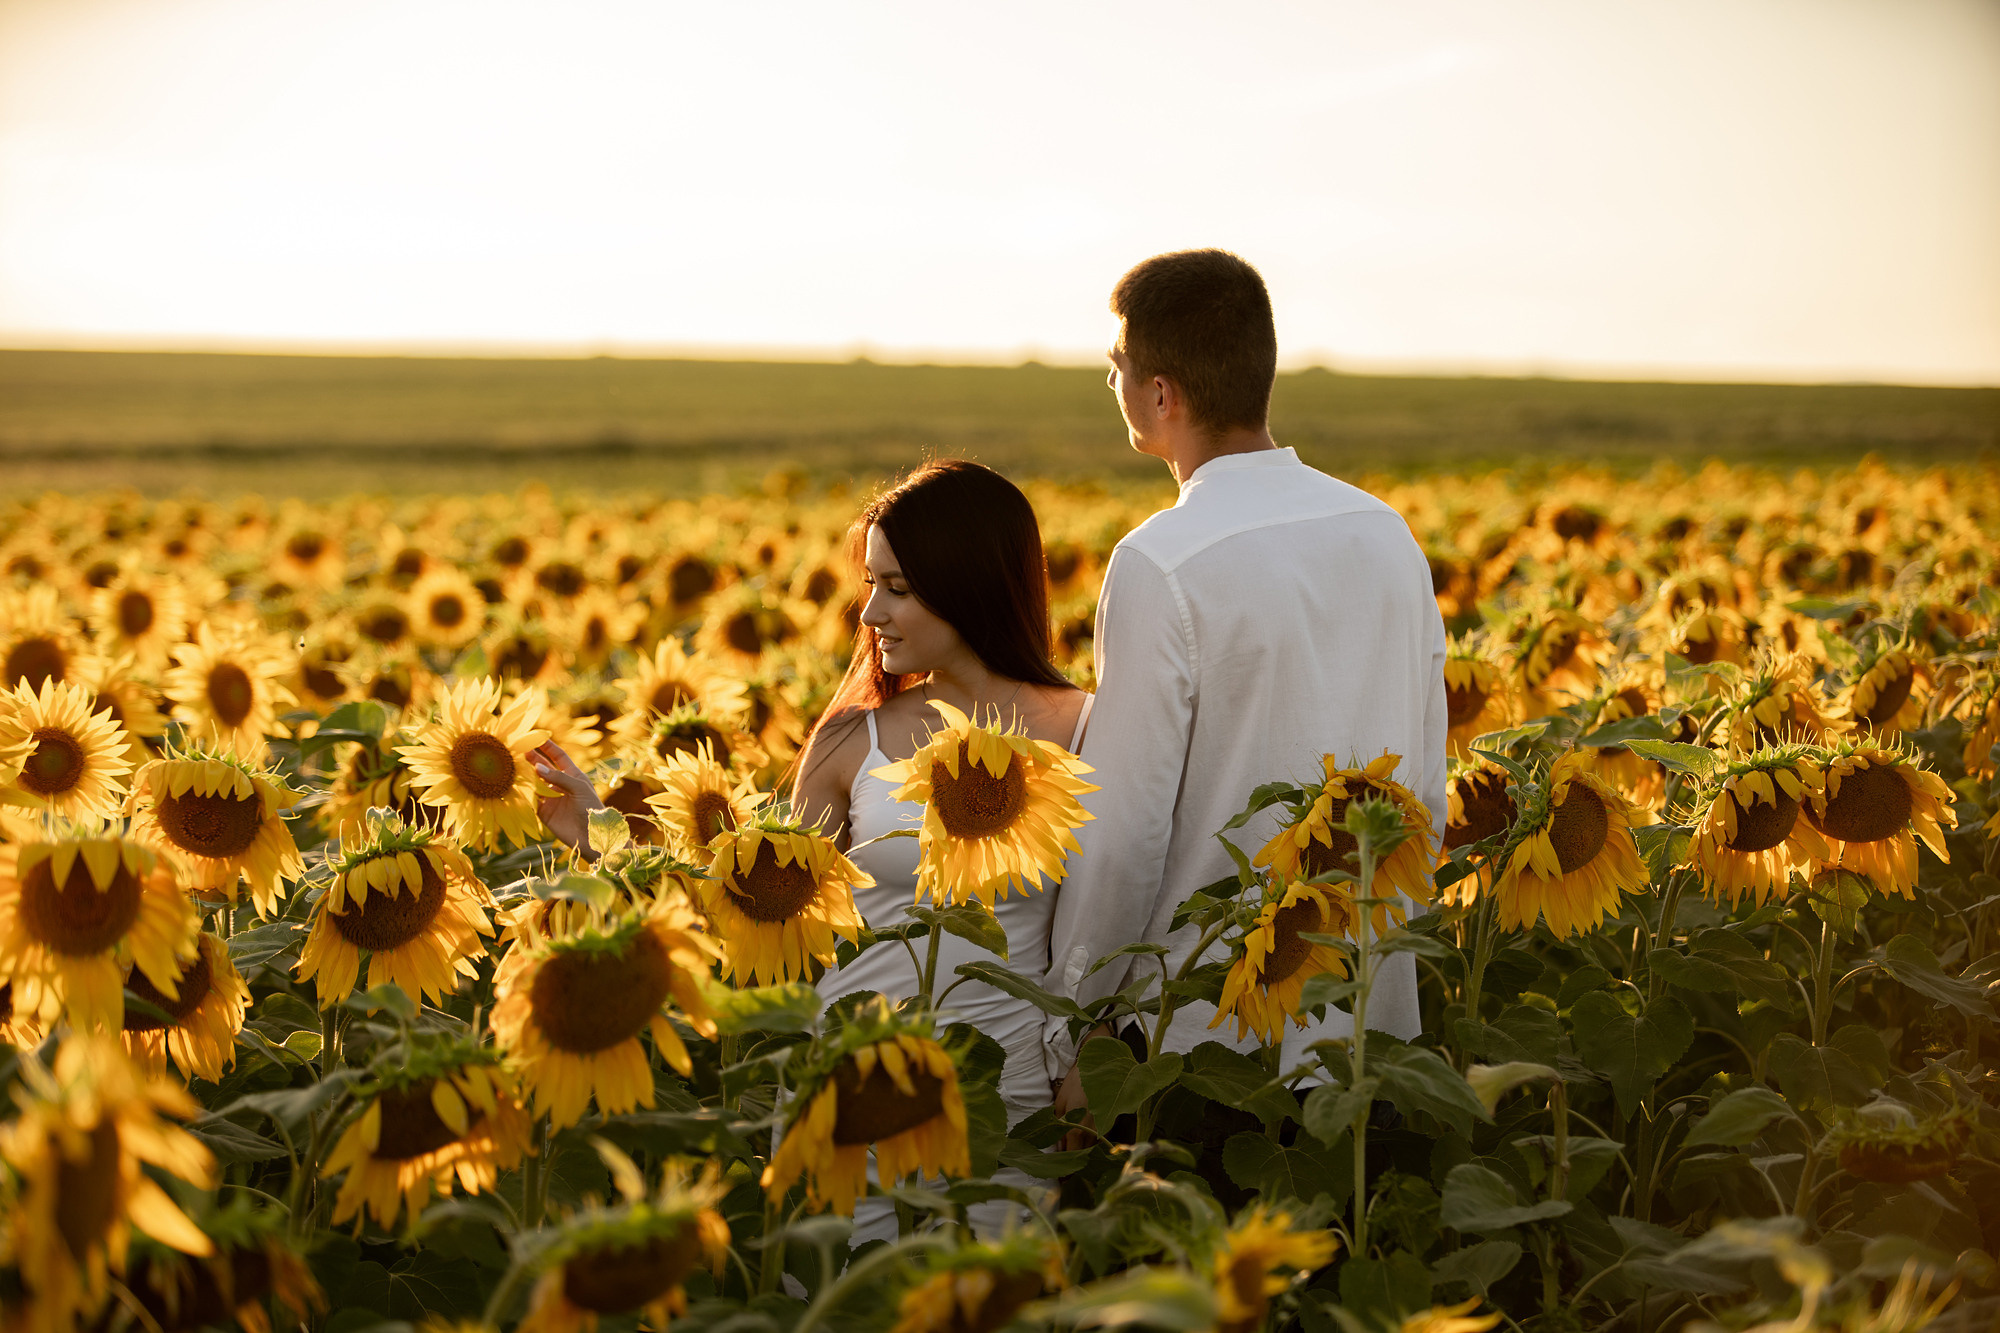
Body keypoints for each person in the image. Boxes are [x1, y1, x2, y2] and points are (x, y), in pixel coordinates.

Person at [534, 458, 1090, 1242]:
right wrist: (602, 834)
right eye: (871, 584)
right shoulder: (852, 740)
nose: (870, 613)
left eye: (897, 588)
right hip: (847, 1094)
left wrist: (1090, 1070)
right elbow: (754, 912)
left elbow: (1118, 920)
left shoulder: (1088, 727)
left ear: (967, 581)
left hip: (1005, 1101)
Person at [1045, 249, 1447, 1126]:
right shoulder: (1386, 536)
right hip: (1367, 1037)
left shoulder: (1161, 560)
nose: (1109, 381)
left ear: (1162, 395)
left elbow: (1126, 834)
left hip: (1200, 1047)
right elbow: (1423, 795)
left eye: (1116, 364)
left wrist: (1074, 1021)